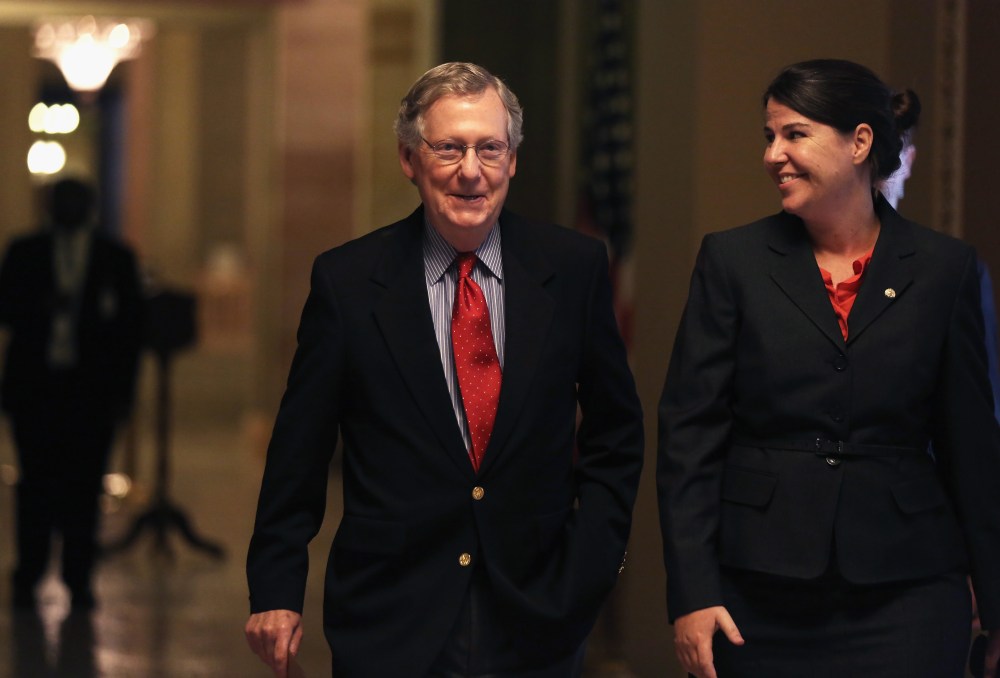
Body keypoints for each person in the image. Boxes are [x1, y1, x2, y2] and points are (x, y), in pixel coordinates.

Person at [245, 62, 644, 677]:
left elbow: (616, 434)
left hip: (538, 613)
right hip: (390, 616)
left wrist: (592, 561)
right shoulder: (348, 283)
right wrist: (276, 588)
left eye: (490, 148)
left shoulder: (575, 268)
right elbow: (300, 449)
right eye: (448, 148)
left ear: (513, 160)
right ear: (409, 159)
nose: (470, 170)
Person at [657, 59, 1000, 678]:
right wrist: (692, 592)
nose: (773, 155)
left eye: (794, 134)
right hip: (757, 595)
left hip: (910, 591)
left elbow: (974, 449)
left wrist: (996, 602)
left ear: (860, 142)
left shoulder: (947, 270)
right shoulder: (731, 261)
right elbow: (689, 442)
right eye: (769, 137)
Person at [0, 177, 143, 610]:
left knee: (84, 485)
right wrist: (43, 305)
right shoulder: (24, 251)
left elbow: (130, 333)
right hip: (36, 386)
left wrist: (123, 392)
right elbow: (5, 308)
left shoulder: (115, 258)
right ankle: (30, 571)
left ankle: (78, 576)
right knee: (35, 483)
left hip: (91, 391)